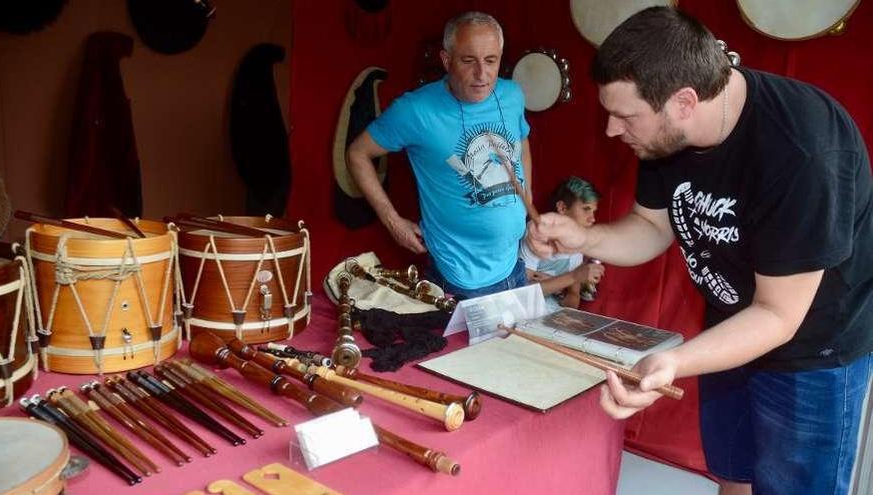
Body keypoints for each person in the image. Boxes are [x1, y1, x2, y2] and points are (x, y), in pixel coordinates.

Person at [526, 7, 872, 495]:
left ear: (684, 102)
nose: (610, 130)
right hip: (729, 330)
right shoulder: (667, 137)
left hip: (811, 352)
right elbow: (652, 226)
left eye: (625, 116)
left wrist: (673, 362)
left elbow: (778, 315)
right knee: (732, 475)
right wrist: (586, 238)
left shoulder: (802, 151)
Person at [347, 11, 532, 300]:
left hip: (515, 267)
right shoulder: (415, 110)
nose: (482, 75)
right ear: (447, 60)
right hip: (457, 279)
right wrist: (392, 220)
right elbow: (358, 153)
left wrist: (526, 200)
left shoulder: (512, 95)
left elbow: (521, 141)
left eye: (491, 61)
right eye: (469, 61)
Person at [519, 176, 605, 310]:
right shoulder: (537, 233)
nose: (592, 219)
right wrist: (569, 279)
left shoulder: (579, 241)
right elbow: (522, 293)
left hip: (553, 314)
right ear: (562, 208)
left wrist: (553, 286)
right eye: (586, 208)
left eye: (594, 211)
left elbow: (573, 297)